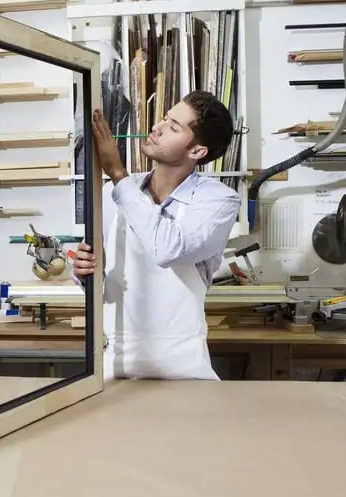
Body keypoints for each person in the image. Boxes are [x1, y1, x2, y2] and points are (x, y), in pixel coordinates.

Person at [73, 90, 241, 381]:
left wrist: (117, 174)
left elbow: (168, 249)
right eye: (164, 119)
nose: (157, 128)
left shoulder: (218, 201)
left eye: (173, 127)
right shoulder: (111, 195)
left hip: (186, 372)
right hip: (118, 367)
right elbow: (102, 282)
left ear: (197, 152)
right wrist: (83, 272)